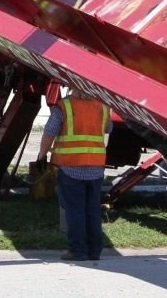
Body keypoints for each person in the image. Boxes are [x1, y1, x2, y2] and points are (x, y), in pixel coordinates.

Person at [36, 88, 111, 261]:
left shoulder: (65, 106)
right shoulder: (103, 107)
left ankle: (77, 250)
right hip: (95, 168)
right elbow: (108, 128)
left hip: (71, 167)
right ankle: (94, 250)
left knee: (75, 211)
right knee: (93, 210)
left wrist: (42, 155)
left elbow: (49, 132)